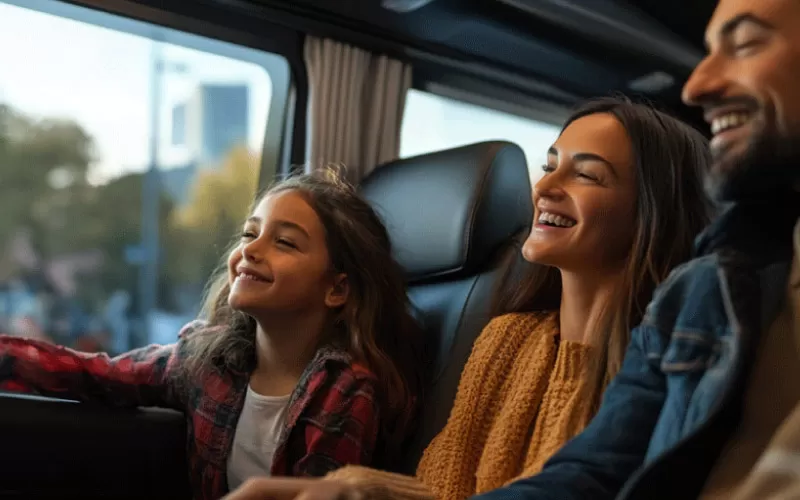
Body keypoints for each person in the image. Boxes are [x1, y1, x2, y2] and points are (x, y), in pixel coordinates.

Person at [219, 95, 715, 500]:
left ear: (652, 210)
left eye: (585, 175)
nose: (544, 188)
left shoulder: (660, 363)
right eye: (549, 166)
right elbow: (445, 488)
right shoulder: (506, 339)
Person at [0, 168, 425, 500]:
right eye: (250, 233)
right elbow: (98, 374)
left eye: (285, 243)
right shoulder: (207, 360)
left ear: (337, 289)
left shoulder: (347, 391)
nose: (251, 251)